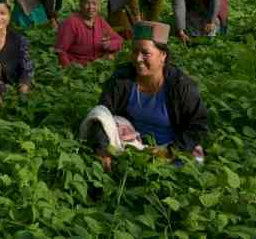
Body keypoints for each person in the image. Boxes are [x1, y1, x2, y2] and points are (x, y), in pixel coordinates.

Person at [80, 21, 208, 172]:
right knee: (100, 117)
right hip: (132, 143)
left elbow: (198, 126)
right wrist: (102, 150)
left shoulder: (180, 85)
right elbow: (103, 112)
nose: (138, 59)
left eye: (145, 53)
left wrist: (169, 151)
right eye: (134, 52)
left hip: (170, 146)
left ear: (163, 55)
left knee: (186, 163)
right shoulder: (122, 78)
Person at [55, 0, 123, 67]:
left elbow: (119, 40)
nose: (91, 7)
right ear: (80, 4)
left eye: (94, 3)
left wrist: (109, 44)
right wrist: (69, 70)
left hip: (98, 65)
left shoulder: (100, 21)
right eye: (87, 3)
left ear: (99, 5)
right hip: (78, 67)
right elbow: (60, 51)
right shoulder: (71, 23)